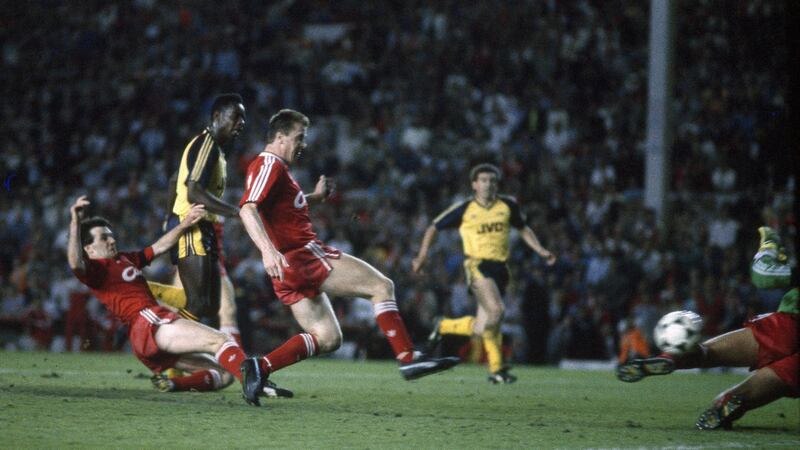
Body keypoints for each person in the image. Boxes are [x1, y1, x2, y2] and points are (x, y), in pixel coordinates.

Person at [237, 109, 460, 388]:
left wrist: (315, 198)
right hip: (301, 256)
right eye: (299, 137)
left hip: (287, 271)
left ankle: (260, 367)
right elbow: (248, 208)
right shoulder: (269, 164)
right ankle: (407, 357)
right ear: (280, 137)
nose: (303, 144)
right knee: (382, 286)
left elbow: (277, 207)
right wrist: (268, 251)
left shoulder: (274, 170)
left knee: (328, 337)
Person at [67, 195, 265, 406]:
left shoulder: (125, 259)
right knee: (221, 340)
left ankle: (173, 384)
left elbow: (160, 246)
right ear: (89, 249)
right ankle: (257, 380)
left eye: (111, 236)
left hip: (144, 338)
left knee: (224, 375)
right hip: (149, 323)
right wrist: (75, 222)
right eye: (104, 238)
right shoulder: (95, 271)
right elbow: (75, 263)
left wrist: (187, 222)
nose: (112, 240)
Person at [617, 227, 798, 430]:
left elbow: (764, 275)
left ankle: (671, 358)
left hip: (790, 324)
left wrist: (769, 245)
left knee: (708, 352)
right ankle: (729, 402)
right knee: (779, 378)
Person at [411, 163, 556, 383]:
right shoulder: (465, 209)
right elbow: (433, 227)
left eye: (492, 181)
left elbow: (523, 228)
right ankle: (496, 367)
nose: (488, 184)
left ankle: (446, 328)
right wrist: (422, 256)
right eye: (484, 181)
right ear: (475, 185)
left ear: (497, 184)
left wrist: (540, 250)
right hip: (477, 265)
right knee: (497, 310)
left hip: (501, 268)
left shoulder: (507, 206)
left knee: (482, 326)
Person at [169, 93, 245, 323]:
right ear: (216, 116)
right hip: (192, 226)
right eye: (236, 117)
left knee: (211, 307)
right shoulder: (207, 144)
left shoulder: (218, 151)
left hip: (205, 226)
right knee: (198, 303)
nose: (241, 123)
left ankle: (166, 332)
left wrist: (166, 216)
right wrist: (236, 212)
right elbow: (194, 191)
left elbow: (175, 179)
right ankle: (161, 340)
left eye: (243, 118)